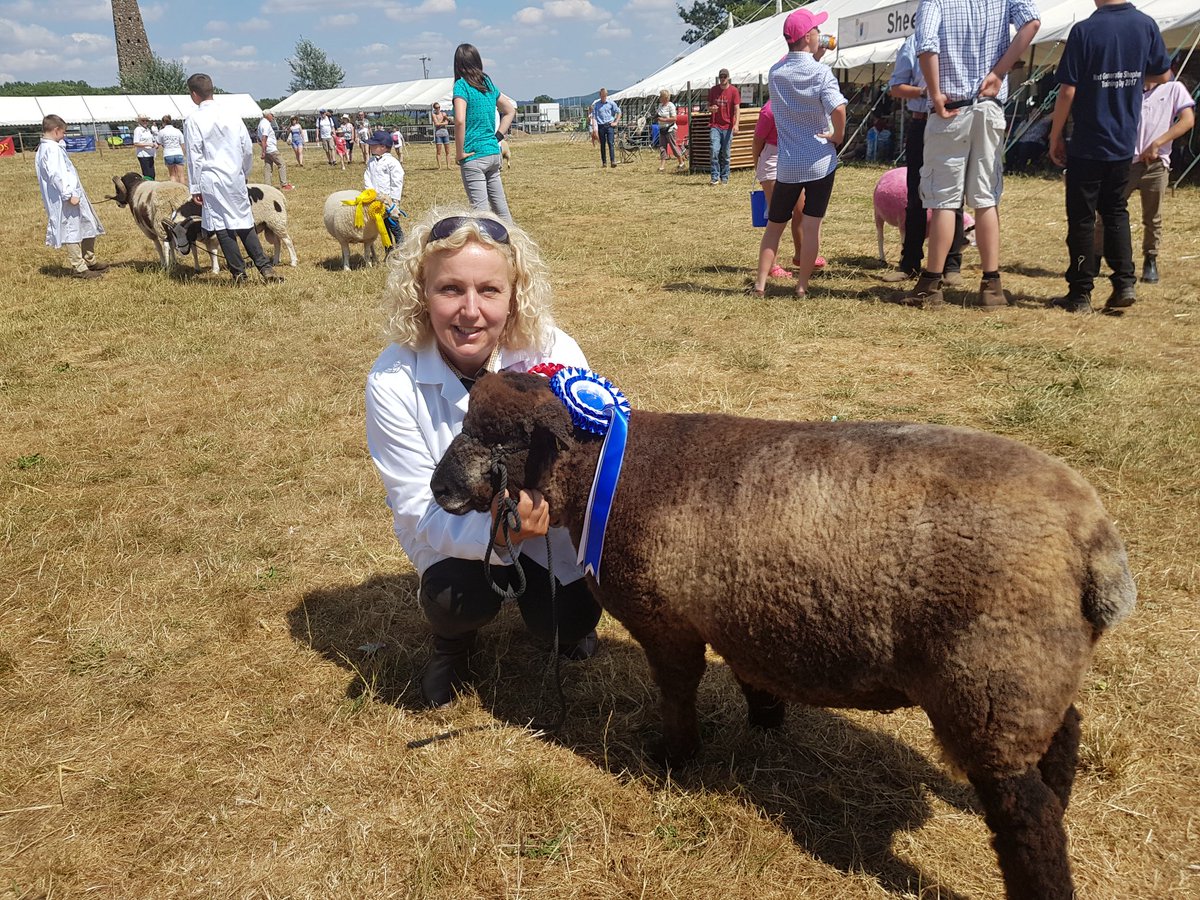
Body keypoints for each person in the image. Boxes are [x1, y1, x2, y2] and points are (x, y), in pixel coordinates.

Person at [364, 208, 602, 708]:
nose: (470, 310)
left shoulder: (552, 352)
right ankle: (454, 641)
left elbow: (587, 460)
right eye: (450, 289)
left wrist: (550, 510)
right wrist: (499, 533)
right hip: (459, 527)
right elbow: (416, 510)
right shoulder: (393, 380)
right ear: (421, 294)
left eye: (489, 291)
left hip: (546, 530)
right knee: (456, 597)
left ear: (513, 297)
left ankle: (561, 613)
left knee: (568, 621)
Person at [896, 0, 1041, 309]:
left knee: (944, 200)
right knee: (986, 197)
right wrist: (999, 72)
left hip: (952, 107)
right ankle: (991, 286)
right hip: (990, 107)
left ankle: (931, 284)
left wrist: (934, 94)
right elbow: (1032, 23)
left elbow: (926, 44)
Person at [1048, 0, 1171, 314]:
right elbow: (1163, 74)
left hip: (1089, 140)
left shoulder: (1085, 29)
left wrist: (1055, 133)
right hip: (1123, 139)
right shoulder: (1145, 25)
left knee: (1083, 217)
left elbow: (1067, 90)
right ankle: (1124, 282)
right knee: (1116, 210)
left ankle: (1080, 293)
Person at [748, 9, 846, 299]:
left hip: (788, 164)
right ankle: (802, 286)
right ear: (807, 37)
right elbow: (838, 109)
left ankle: (760, 285)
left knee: (774, 227)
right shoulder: (820, 72)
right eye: (816, 29)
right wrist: (837, 137)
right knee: (812, 227)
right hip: (819, 162)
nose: (820, 34)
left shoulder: (775, 74)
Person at [882, 33, 967, 286]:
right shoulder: (914, 42)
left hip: (955, 122)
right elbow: (896, 87)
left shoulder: (959, 36)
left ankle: (951, 265)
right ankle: (909, 263)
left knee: (954, 197)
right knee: (915, 196)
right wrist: (927, 91)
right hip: (922, 123)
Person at [183, 72, 283, 285]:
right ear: (212, 90)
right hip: (235, 176)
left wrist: (195, 187)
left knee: (222, 226)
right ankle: (265, 268)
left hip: (212, 178)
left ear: (193, 95)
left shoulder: (193, 119)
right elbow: (247, 148)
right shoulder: (231, 114)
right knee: (244, 221)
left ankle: (239, 273)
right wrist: (243, 172)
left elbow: (195, 155)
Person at [1101, 70, 1195, 285]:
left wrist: (1158, 143)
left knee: (1152, 216)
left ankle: (1150, 259)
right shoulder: (1128, 89)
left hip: (1155, 164)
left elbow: (1187, 120)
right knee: (1106, 211)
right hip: (1124, 162)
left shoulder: (1174, 89)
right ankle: (1098, 256)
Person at [751, 99, 827, 280]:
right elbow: (757, 141)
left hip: (792, 160)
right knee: (776, 215)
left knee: (800, 210)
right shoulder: (769, 111)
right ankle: (772, 265)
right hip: (772, 160)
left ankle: (801, 255)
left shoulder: (797, 105)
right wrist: (758, 166)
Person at [35, 114, 107, 279]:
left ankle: (90, 259)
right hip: (66, 196)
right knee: (71, 229)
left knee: (88, 222)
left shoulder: (53, 147)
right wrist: (68, 194)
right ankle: (79, 267)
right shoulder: (50, 149)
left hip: (73, 192)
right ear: (56, 130)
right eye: (63, 132)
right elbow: (56, 174)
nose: (64, 135)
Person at [453, 42, 516, 222]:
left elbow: (459, 119)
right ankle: (513, 246)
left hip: (473, 156)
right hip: (492, 153)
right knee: (502, 211)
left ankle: (489, 246)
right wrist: (497, 137)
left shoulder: (461, 86)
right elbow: (510, 110)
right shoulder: (487, 83)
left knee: (481, 215)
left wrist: (459, 153)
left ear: (458, 64)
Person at [364, 130, 405, 247]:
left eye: (373, 144)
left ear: (382, 147)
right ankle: (388, 248)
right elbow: (367, 176)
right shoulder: (371, 161)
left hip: (389, 200)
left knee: (393, 225)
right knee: (382, 226)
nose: (370, 146)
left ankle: (401, 247)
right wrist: (370, 192)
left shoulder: (391, 162)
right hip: (376, 199)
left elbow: (397, 180)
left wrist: (394, 200)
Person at [707, 68, 741, 185]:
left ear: (728, 77)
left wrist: (736, 124)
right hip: (715, 125)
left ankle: (725, 177)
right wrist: (711, 109)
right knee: (714, 150)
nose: (723, 79)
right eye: (721, 77)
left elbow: (737, 109)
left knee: (726, 154)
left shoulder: (734, 91)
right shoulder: (713, 90)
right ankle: (715, 176)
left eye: (725, 77)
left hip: (728, 126)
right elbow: (708, 106)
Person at [256, 111, 292, 191]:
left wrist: (263, 149)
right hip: (271, 148)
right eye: (271, 115)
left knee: (268, 166)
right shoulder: (265, 124)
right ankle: (284, 184)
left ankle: (267, 186)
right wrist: (263, 151)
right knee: (281, 164)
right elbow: (264, 138)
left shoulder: (261, 123)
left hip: (267, 148)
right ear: (267, 115)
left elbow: (259, 138)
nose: (273, 116)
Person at [655, 89, 685, 172]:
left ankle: (681, 162)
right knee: (662, 147)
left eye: (661, 96)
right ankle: (662, 166)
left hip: (670, 129)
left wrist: (663, 120)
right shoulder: (660, 106)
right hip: (662, 129)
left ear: (665, 97)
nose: (659, 98)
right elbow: (659, 114)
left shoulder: (671, 105)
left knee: (673, 146)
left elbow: (674, 118)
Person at [591, 87, 621, 169]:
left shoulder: (611, 104)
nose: (603, 97)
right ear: (600, 95)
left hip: (609, 126)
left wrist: (616, 122)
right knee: (602, 144)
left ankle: (612, 161)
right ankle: (604, 162)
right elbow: (593, 116)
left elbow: (619, 112)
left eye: (605, 95)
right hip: (601, 126)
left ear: (606, 95)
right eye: (602, 95)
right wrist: (594, 128)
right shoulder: (597, 105)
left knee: (611, 143)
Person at [157, 114, 187, 185]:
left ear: (163, 123)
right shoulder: (177, 131)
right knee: (181, 175)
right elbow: (182, 143)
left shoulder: (162, 131)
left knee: (173, 175)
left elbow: (159, 142)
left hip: (168, 153)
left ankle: (174, 191)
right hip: (178, 153)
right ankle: (184, 191)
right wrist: (184, 153)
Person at [133, 114, 157, 179]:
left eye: (146, 120)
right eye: (143, 120)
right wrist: (148, 144)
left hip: (150, 154)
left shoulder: (148, 130)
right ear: (139, 121)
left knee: (152, 174)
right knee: (148, 175)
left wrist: (155, 144)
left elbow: (152, 139)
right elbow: (136, 143)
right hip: (143, 155)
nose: (145, 122)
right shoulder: (138, 130)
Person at [432, 102, 452, 168]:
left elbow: (447, 122)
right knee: (439, 151)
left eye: (439, 107)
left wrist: (440, 123)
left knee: (448, 151)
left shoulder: (444, 114)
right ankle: (440, 166)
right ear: (434, 108)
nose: (438, 109)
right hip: (438, 134)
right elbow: (436, 124)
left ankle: (448, 166)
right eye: (436, 108)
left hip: (445, 133)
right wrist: (443, 122)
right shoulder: (434, 115)